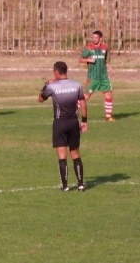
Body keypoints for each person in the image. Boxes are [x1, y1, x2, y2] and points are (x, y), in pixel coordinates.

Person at [38, 61, 88, 192]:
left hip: (60, 123)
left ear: (56, 72)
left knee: (62, 155)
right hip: (73, 122)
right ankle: (81, 184)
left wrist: (46, 84)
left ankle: (65, 186)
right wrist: (84, 121)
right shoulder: (76, 84)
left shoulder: (53, 87)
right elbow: (83, 104)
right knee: (75, 154)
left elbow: (40, 99)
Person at [79, 30, 116, 121]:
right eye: (93, 37)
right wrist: (89, 60)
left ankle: (108, 117)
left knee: (108, 94)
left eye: (96, 37)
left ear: (101, 38)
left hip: (103, 77)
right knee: (86, 96)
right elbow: (80, 59)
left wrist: (110, 68)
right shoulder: (89, 48)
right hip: (93, 77)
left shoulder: (105, 48)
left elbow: (105, 61)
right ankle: (71, 110)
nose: (94, 39)